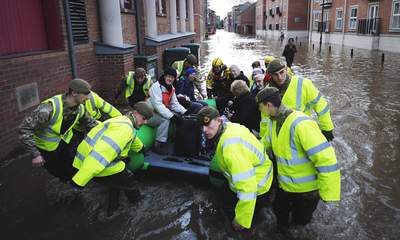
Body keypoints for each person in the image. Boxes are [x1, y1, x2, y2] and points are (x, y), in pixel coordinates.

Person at [256, 87, 340, 234]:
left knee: (300, 222)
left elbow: (326, 158)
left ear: (268, 105)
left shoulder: (301, 124)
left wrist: (328, 194)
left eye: (260, 107)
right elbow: (266, 144)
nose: (260, 111)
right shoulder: (272, 122)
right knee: (280, 213)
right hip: (286, 186)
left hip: (306, 192)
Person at [197, 107, 273, 231]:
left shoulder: (231, 148)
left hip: (258, 187)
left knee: (245, 227)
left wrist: (241, 220)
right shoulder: (230, 127)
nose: (204, 130)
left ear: (218, 121)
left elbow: (248, 188)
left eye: (207, 124)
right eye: (201, 126)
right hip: (262, 173)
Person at [71, 101, 154, 215]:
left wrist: (141, 148)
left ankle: (112, 209)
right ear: (135, 113)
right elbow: (100, 155)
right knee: (127, 178)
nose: (145, 122)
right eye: (144, 118)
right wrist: (79, 181)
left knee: (116, 181)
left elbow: (132, 138)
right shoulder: (124, 129)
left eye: (147, 119)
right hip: (91, 163)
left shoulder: (124, 120)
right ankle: (137, 203)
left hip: (84, 158)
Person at [19, 78, 98, 182]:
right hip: (47, 149)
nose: (88, 98)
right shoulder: (48, 109)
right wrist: (35, 154)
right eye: (85, 94)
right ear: (74, 93)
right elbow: (25, 129)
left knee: (72, 166)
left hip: (65, 142)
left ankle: (72, 181)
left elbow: (91, 123)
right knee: (57, 171)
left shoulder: (80, 108)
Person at [265, 59, 334, 141]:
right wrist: (266, 142)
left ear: (286, 70)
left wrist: (327, 129)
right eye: (275, 75)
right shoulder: (266, 93)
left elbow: (321, 106)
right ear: (271, 75)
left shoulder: (304, 84)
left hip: (303, 133)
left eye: (282, 72)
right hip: (280, 137)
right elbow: (265, 120)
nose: (279, 77)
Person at [147, 67, 187, 154]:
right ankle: (158, 145)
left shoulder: (171, 88)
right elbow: (158, 106)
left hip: (158, 113)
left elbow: (174, 104)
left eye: (172, 77)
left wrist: (184, 111)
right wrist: (172, 116)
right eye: (168, 76)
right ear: (164, 76)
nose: (170, 79)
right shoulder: (156, 87)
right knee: (165, 119)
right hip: (149, 115)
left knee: (177, 115)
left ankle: (173, 137)